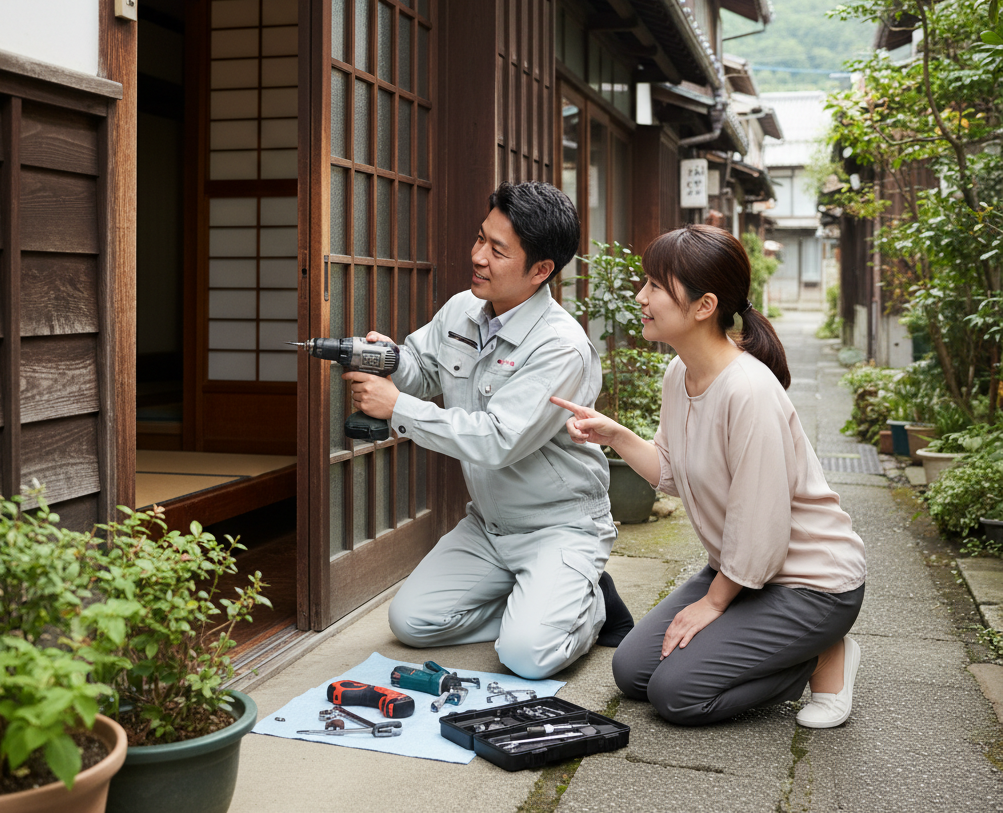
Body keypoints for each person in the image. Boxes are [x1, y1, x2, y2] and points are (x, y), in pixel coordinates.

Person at [552, 225, 866, 728]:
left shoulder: (749, 391)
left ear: (704, 306)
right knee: (633, 673)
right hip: (744, 571)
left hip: (811, 585)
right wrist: (615, 436)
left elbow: (761, 526)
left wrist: (713, 604)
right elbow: (674, 472)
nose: (642, 297)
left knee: (677, 694)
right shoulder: (680, 373)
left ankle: (822, 655)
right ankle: (780, 645)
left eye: (656, 285)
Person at [343, 181, 634, 680]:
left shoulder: (561, 348)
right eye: (481, 239)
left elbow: (499, 440)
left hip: (558, 526)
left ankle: (591, 607)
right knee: (412, 622)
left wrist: (396, 407)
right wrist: (393, 359)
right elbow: (424, 368)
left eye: (497, 251)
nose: (477, 256)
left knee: (527, 657)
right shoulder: (462, 309)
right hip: (490, 525)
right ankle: (536, 607)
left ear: (541, 270)